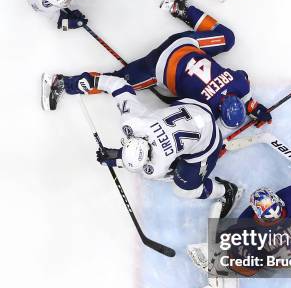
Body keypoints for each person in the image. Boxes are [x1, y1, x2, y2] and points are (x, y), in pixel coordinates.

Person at [41, 0, 272, 130]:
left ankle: (179, 8)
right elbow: (176, 107)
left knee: (227, 38)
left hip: (186, 44)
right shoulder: (208, 111)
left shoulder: (240, 85)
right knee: (118, 82)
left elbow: (240, 79)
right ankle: (62, 83)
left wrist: (251, 106)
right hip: (160, 65)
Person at [41, 72, 239, 210]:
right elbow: (118, 84)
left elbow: (165, 173)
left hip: (208, 140)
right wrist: (75, 84)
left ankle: (227, 190)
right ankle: (64, 83)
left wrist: (117, 159)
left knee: (185, 189)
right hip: (195, 107)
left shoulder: (155, 161)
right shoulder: (133, 121)